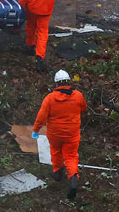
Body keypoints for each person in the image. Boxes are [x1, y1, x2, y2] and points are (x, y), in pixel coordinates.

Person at [32, 69, 87, 199]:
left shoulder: (50, 98)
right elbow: (83, 108)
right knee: (71, 156)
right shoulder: (78, 95)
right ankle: (73, 178)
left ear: (56, 84)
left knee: (56, 151)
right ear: (68, 82)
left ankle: (57, 172)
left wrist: (35, 130)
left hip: (55, 133)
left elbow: (41, 116)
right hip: (72, 133)